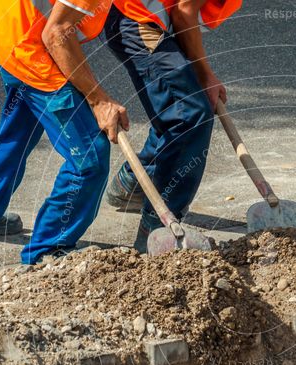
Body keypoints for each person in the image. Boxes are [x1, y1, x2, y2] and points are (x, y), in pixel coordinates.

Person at [0, 0, 129, 264]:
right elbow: (56, 34)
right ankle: (48, 253)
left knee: (19, 128)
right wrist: (99, 100)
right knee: (90, 157)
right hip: (29, 43)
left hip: (8, 28)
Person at [102, 0, 241, 250]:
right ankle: (156, 228)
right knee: (189, 114)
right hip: (134, 18)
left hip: (147, 18)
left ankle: (130, 186)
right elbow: (184, 12)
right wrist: (204, 73)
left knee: (176, 108)